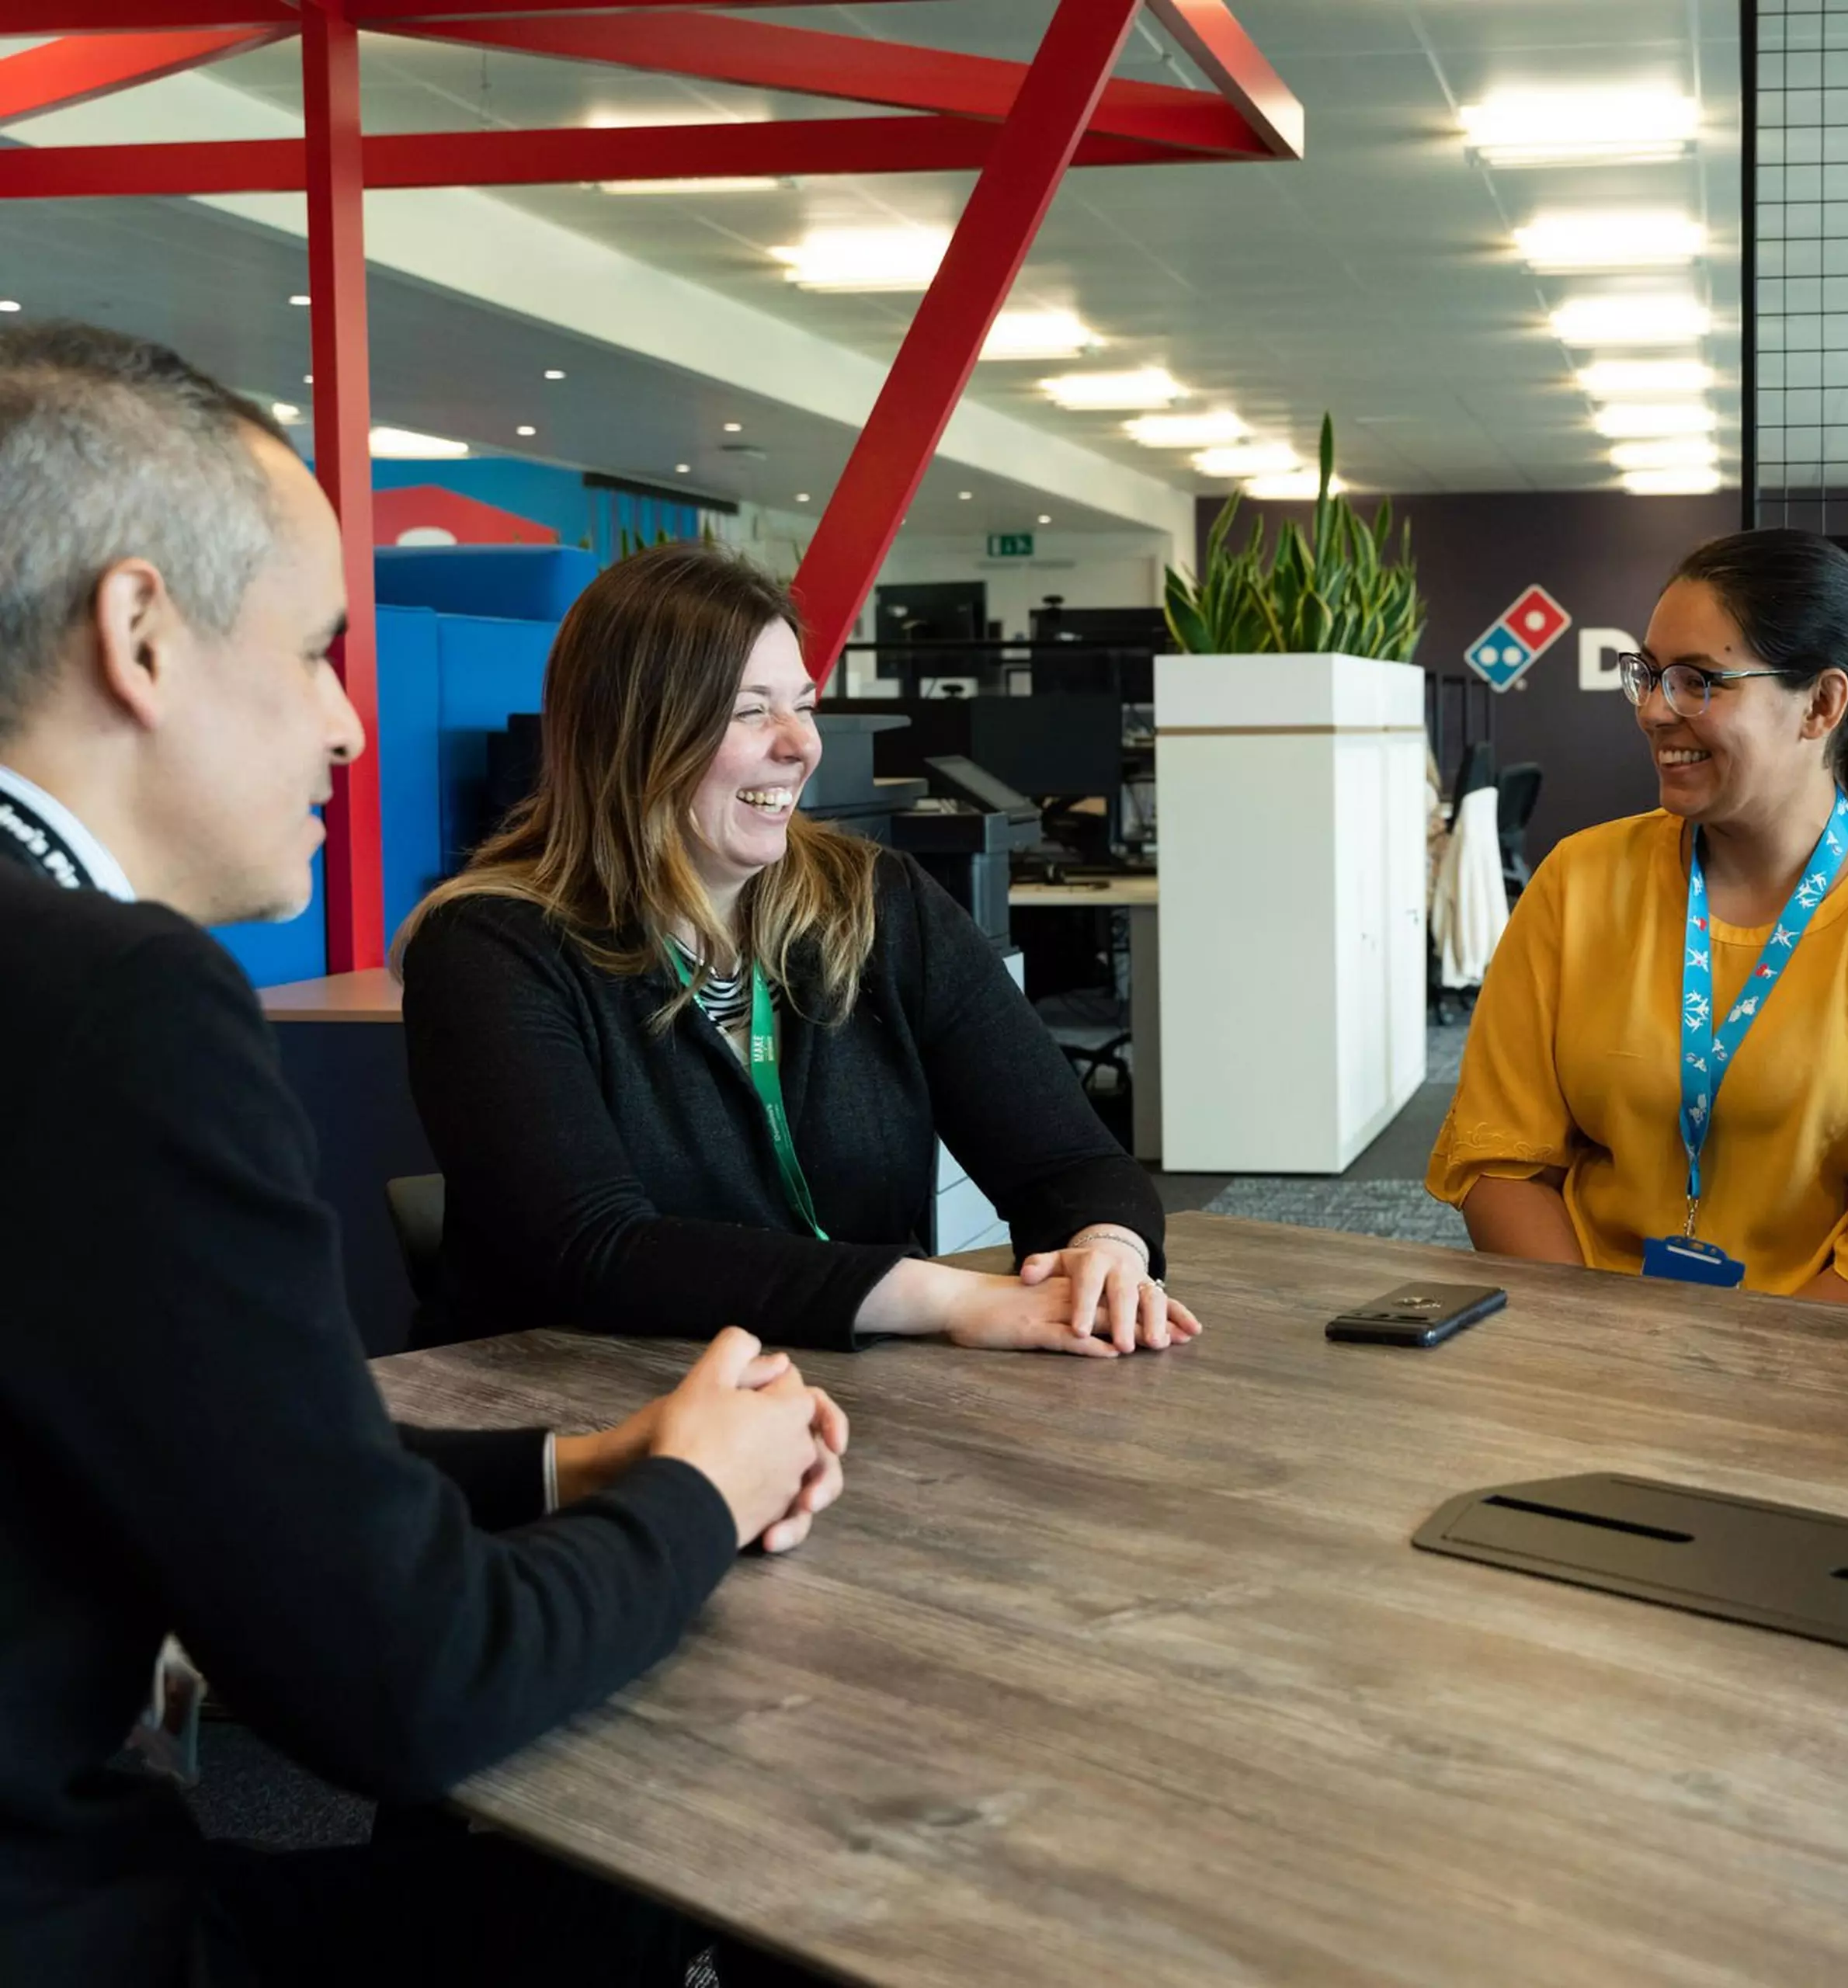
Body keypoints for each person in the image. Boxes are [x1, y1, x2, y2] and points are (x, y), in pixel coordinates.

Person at [0, 321, 846, 1986]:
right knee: (612, 1898)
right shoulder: (114, 1008)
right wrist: (698, 1488)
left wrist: (571, 1469)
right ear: (140, 635)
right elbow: (407, 1680)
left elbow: (189, 1465)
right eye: (318, 650)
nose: (347, 729)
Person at [397, 544, 1198, 1359]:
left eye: (804, 706)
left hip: (831, 1405)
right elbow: (594, 1248)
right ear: (633, 735)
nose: (800, 746)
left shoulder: (879, 902)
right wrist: (945, 1296)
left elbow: (1067, 1158)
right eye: (751, 711)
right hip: (580, 1411)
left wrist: (1109, 1250)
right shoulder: (490, 946)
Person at [1427, 527, 1848, 1315]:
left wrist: (1729, 1377)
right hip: (1591, 1353)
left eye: (1699, 680)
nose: (1656, 710)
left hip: (1835, 1380)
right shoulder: (1576, 884)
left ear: (1822, 704)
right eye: (1650, 674)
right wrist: (1599, 1344)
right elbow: (1501, 1160)